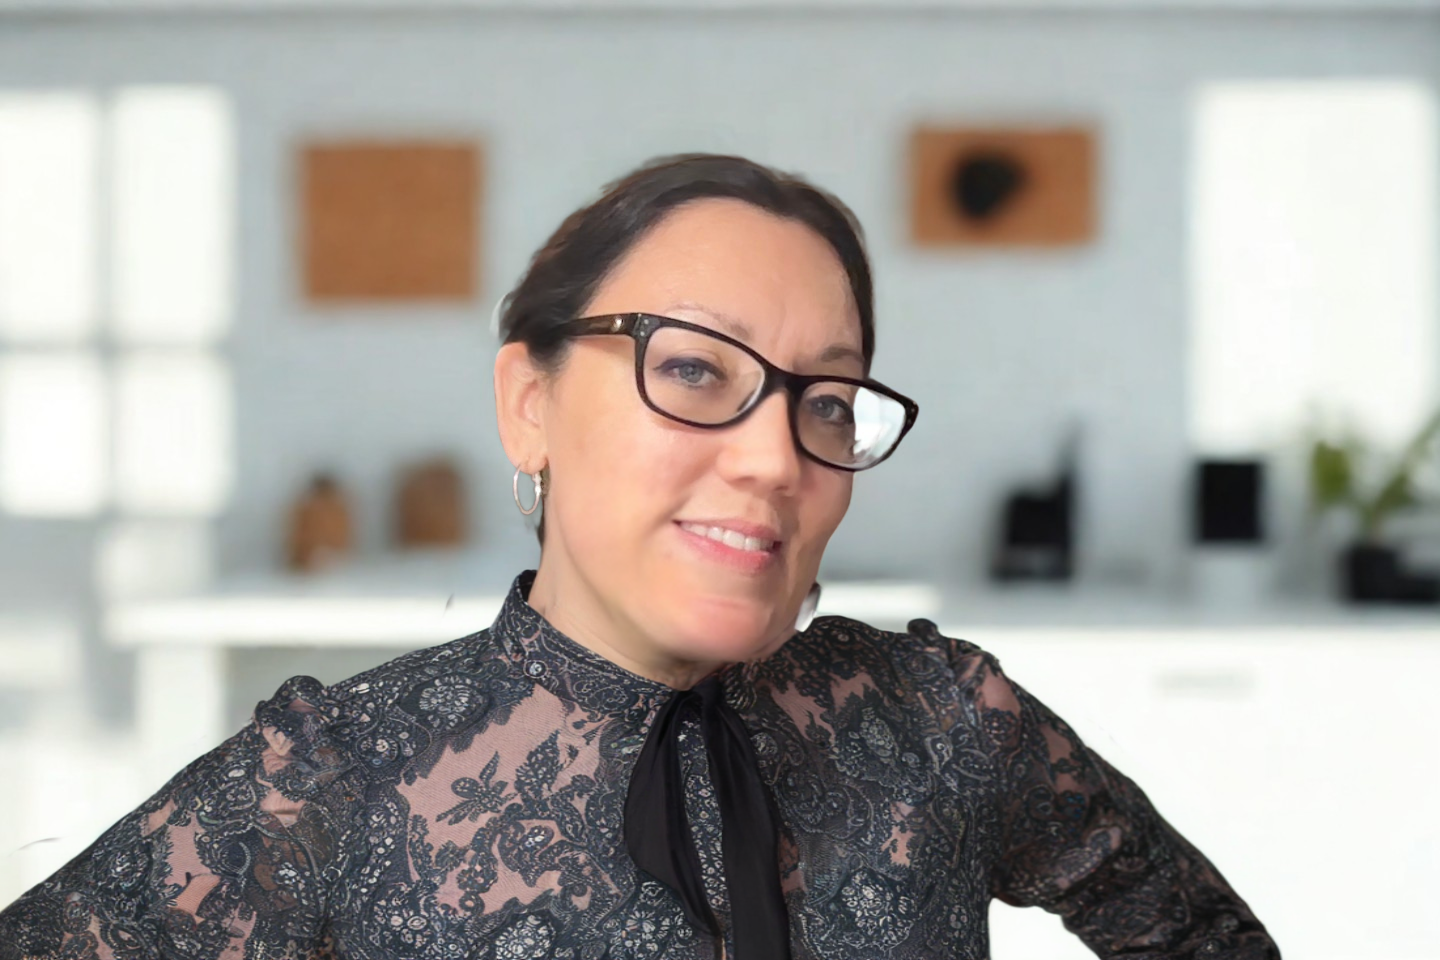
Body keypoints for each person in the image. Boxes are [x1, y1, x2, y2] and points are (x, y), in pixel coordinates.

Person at [0, 154, 1279, 960]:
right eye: (692, 370)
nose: (778, 459)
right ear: (530, 403)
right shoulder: (332, 781)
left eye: (826, 400)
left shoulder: (947, 720)